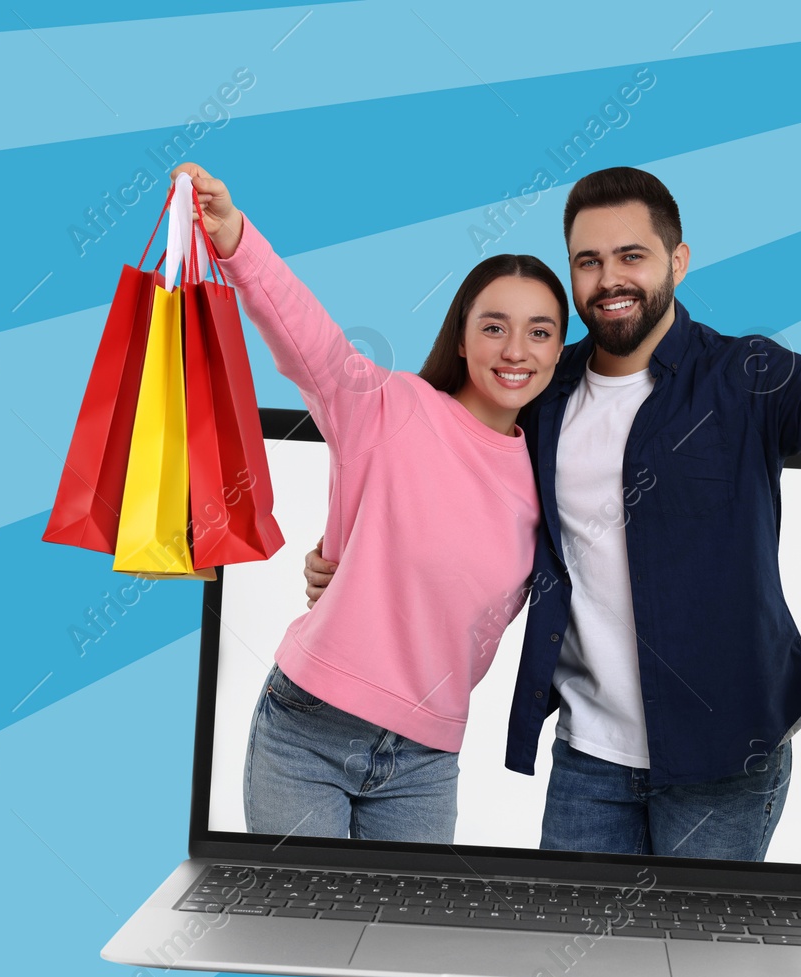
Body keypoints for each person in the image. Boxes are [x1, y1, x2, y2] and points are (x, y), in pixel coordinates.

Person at [304, 166, 801, 860]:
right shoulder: (542, 395)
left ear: (677, 261)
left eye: (631, 257)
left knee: (698, 966)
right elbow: (446, 473)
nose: (609, 279)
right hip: (587, 762)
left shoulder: (743, 377)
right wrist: (353, 558)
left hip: (727, 758)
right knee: (567, 965)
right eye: (589, 262)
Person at [168, 162, 568, 844]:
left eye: (540, 331)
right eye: (495, 326)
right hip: (309, 730)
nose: (516, 350)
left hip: (427, 758)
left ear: (561, 350)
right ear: (463, 333)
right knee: (298, 937)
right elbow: (309, 343)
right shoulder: (391, 407)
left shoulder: (550, 477)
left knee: (402, 945)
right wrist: (235, 237)